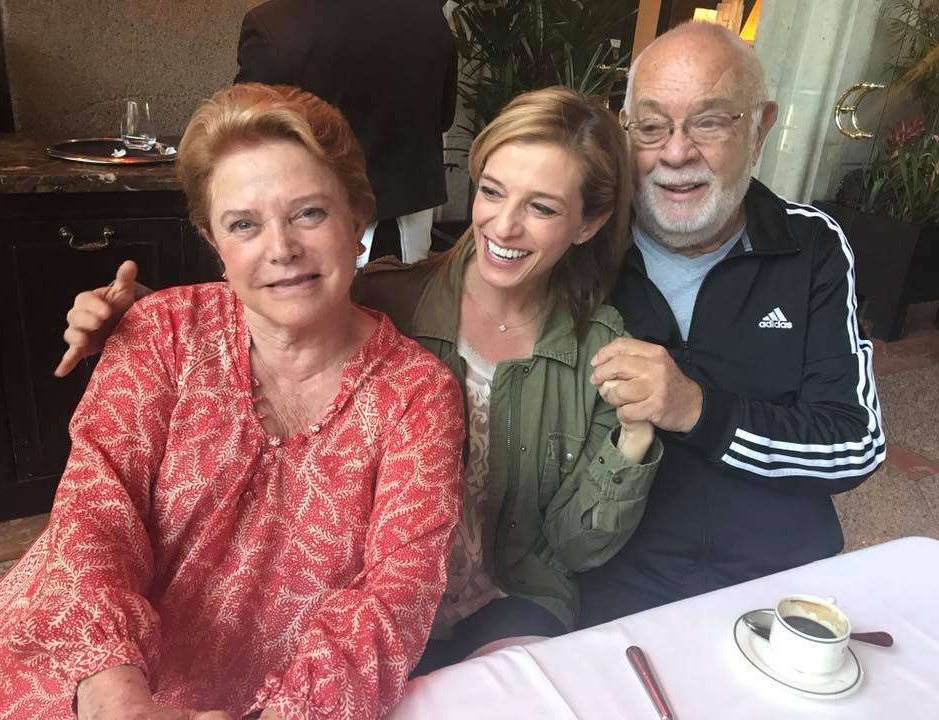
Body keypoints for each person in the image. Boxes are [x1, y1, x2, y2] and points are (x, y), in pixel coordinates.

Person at [54, 87, 663, 674]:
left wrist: (633, 438)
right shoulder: (389, 294)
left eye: (542, 207)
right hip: (358, 592)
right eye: (492, 192)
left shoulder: (601, 352)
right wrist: (138, 322)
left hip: (500, 597)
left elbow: (577, 548)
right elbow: (272, 315)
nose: (503, 227)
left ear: (588, 223)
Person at [0, 84, 465, 719]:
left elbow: (391, 600)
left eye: (309, 213)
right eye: (244, 224)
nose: (281, 248)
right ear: (214, 243)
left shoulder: (418, 394)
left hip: (275, 699)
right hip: (74, 661)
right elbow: (96, 513)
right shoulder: (163, 332)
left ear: (358, 220)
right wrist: (112, 694)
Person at [578, 21, 886, 626]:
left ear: (761, 126)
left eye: (710, 121)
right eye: (652, 125)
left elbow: (853, 446)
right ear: (625, 130)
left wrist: (696, 409)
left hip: (781, 582)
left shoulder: (811, 247)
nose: (676, 152)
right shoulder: (586, 247)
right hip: (616, 585)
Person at [235, 0, 458, 264]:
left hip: (313, 210)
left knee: (323, 303)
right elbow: (444, 117)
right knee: (409, 300)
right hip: (411, 203)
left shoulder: (272, 22)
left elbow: (247, 132)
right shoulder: (427, 13)